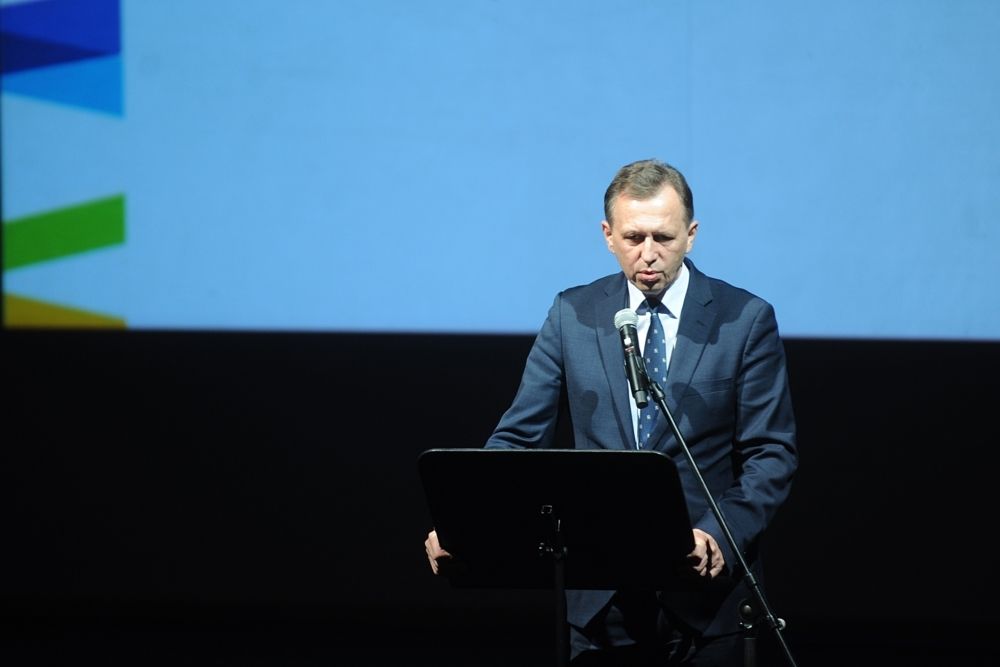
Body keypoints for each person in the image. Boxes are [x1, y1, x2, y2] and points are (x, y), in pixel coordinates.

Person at [425, 159, 798, 666]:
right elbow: (518, 440)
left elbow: (770, 453)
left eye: (663, 237)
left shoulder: (744, 320)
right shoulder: (572, 315)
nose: (648, 253)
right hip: (601, 600)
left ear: (691, 235)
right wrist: (466, 522)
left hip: (705, 602)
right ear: (608, 235)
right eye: (633, 237)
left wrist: (718, 533)